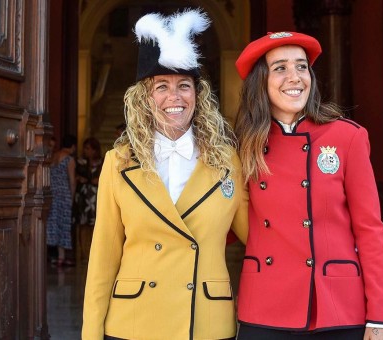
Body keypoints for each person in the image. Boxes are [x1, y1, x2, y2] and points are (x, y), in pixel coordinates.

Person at [82, 9, 247, 340]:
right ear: (145, 97)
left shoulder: (228, 161)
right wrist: (91, 333)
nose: (174, 97)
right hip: (134, 322)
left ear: (198, 96)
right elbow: (103, 256)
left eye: (184, 85)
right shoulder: (118, 163)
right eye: (162, 86)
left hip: (205, 322)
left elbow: (260, 239)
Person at [233, 32, 383, 340]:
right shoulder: (243, 148)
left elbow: (370, 231)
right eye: (280, 68)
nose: (295, 77)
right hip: (264, 306)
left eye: (302, 67)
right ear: (260, 82)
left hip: (335, 306)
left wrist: (381, 318)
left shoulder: (347, 138)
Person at [46, 134, 77, 267]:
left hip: (52, 193)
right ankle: (61, 256)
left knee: (52, 223)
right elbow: (72, 180)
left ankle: (49, 255)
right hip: (64, 194)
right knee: (63, 223)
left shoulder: (53, 157)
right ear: (73, 147)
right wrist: (72, 196)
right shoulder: (69, 159)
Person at [73, 137, 104, 264]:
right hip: (83, 198)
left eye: (88, 148)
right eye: (85, 148)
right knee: (83, 226)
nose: (86, 151)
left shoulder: (103, 162)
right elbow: (77, 176)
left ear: (95, 150)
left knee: (96, 226)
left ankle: (96, 254)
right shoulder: (80, 162)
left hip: (97, 198)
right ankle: (84, 254)